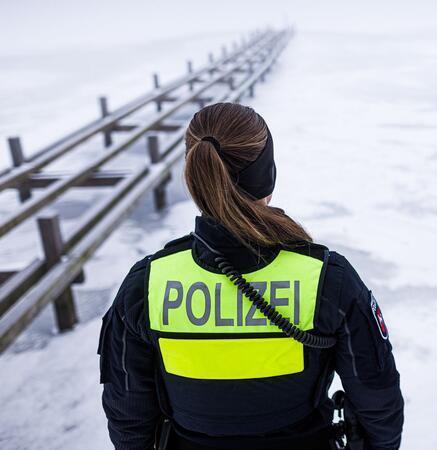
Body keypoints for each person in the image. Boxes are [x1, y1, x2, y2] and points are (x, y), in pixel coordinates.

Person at [98, 102, 404, 450]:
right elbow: (378, 398)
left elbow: (128, 416)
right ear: (268, 175)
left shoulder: (147, 284)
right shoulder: (327, 278)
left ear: (194, 175)